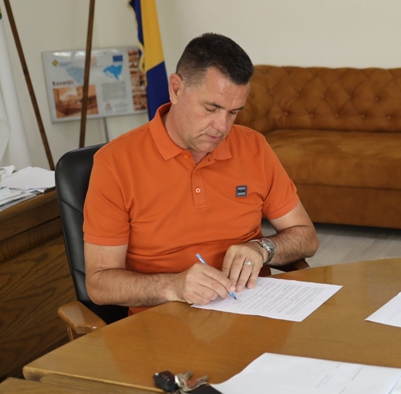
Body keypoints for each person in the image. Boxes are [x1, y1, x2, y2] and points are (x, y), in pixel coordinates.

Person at [83, 33, 318, 313]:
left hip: (253, 310)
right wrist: (174, 286)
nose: (222, 127)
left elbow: (306, 237)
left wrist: (263, 248)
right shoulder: (115, 163)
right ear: (176, 89)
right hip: (164, 321)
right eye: (211, 108)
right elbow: (99, 285)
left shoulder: (253, 146)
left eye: (233, 112)